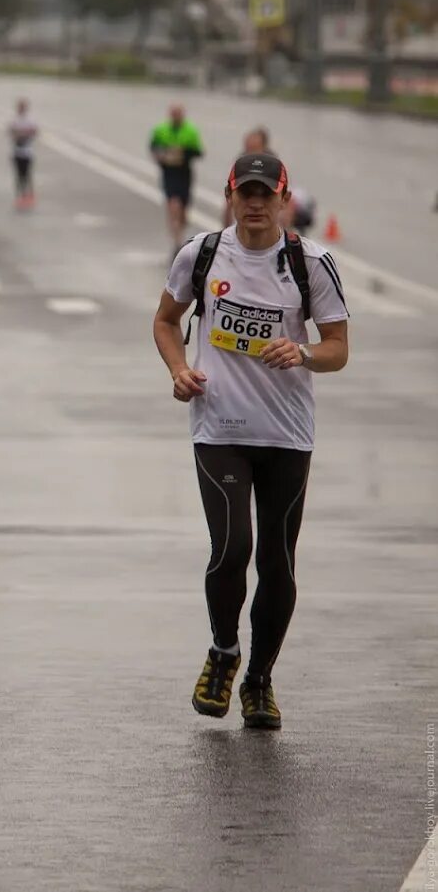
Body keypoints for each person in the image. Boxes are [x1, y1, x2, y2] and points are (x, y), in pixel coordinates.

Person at [152, 152, 349, 730]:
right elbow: (166, 320)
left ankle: (259, 679)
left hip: (287, 434)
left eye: (268, 194)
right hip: (220, 427)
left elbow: (338, 346)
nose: (256, 204)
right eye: (247, 193)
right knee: (233, 546)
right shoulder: (203, 253)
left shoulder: (309, 263)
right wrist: (178, 369)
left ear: (285, 198)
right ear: (231, 195)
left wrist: (304, 351)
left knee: (277, 562)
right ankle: (223, 651)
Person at [150, 104, 205, 251]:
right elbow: (153, 147)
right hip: (169, 173)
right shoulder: (161, 130)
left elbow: (198, 152)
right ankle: (177, 240)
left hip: (184, 173)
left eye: (178, 114)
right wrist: (162, 156)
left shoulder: (190, 131)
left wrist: (182, 153)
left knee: (183, 209)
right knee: (173, 204)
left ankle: (180, 226)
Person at [8, 99, 39, 210]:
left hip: (27, 152)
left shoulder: (30, 119)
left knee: (27, 174)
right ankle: (20, 195)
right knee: (19, 175)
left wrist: (23, 134)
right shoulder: (14, 119)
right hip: (17, 152)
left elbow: (34, 131)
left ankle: (29, 194)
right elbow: (10, 131)